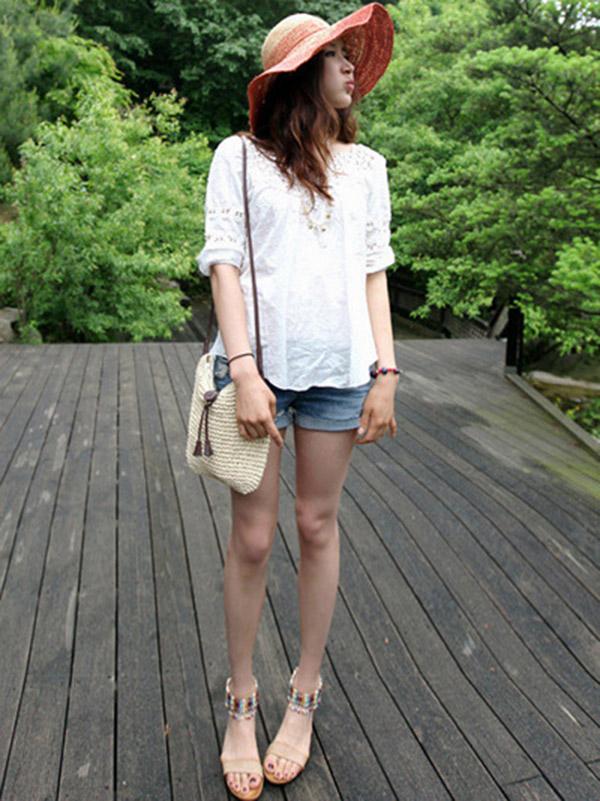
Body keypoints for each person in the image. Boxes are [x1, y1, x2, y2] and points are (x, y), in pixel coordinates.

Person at [195, 4, 399, 798]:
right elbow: (224, 265)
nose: (351, 68)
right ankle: (242, 699)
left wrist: (386, 371)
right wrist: (245, 370)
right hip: (260, 373)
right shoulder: (239, 158)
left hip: (341, 373)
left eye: (352, 55)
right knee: (252, 538)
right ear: (299, 72)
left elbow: (373, 274)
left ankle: (304, 694)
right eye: (336, 55)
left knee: (317, 525)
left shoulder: (367, 167)